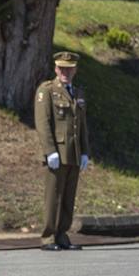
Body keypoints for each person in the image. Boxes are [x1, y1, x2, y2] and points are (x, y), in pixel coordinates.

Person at [34, 51, 90, 251]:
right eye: (62, 68)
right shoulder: (48, 90)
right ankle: (48, 237)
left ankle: (62, 235)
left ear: (75, 70)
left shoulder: (78, 92)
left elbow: (81, 125)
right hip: (57, 152)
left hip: (73, 152)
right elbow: (43, 123)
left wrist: (85, 151)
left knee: (68, 196)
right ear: (56, 69)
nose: (66, 72)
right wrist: (50, 151)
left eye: (69, 69)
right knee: (53, 197)